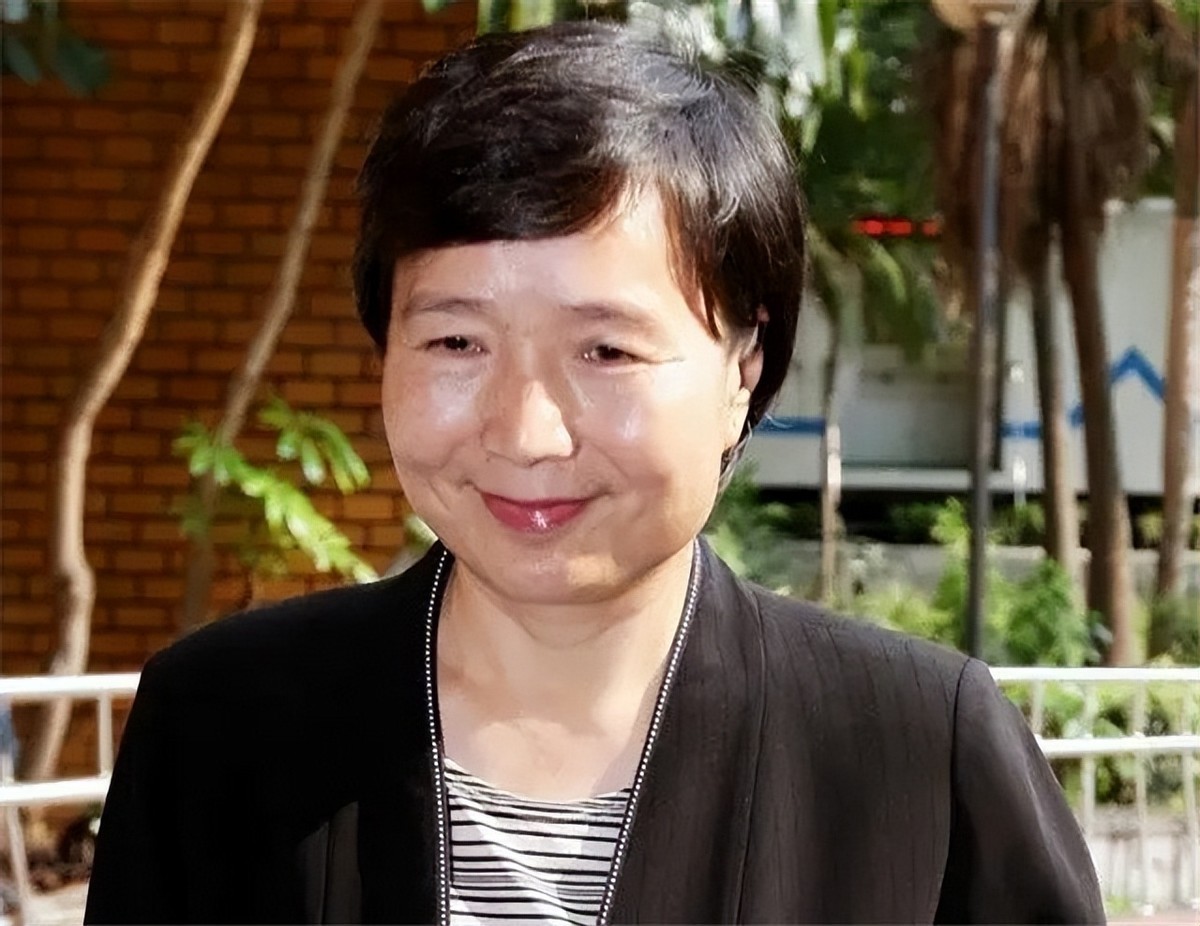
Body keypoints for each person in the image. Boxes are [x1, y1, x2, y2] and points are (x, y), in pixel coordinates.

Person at [85, 21, 1104, 925]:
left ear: (744, 369)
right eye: (456, 342)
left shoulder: (918, 756)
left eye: (606, 350)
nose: (527, 433)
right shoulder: (221, 726)